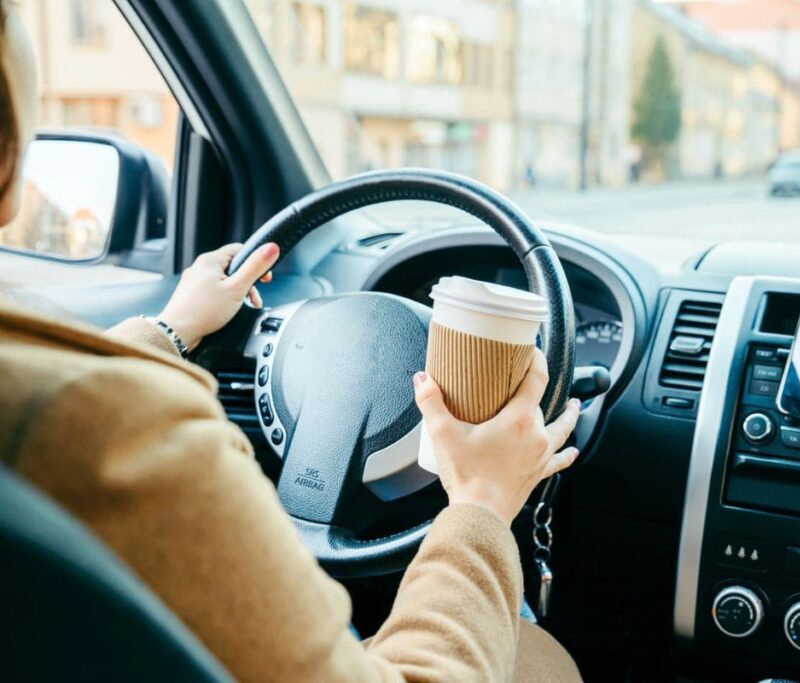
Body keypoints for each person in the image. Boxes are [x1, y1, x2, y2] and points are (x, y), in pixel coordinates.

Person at [0, 4, 582, 682]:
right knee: (539, 655)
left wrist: (169, 329)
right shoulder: (120, 430)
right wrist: (482, 502)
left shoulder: (62, 414)